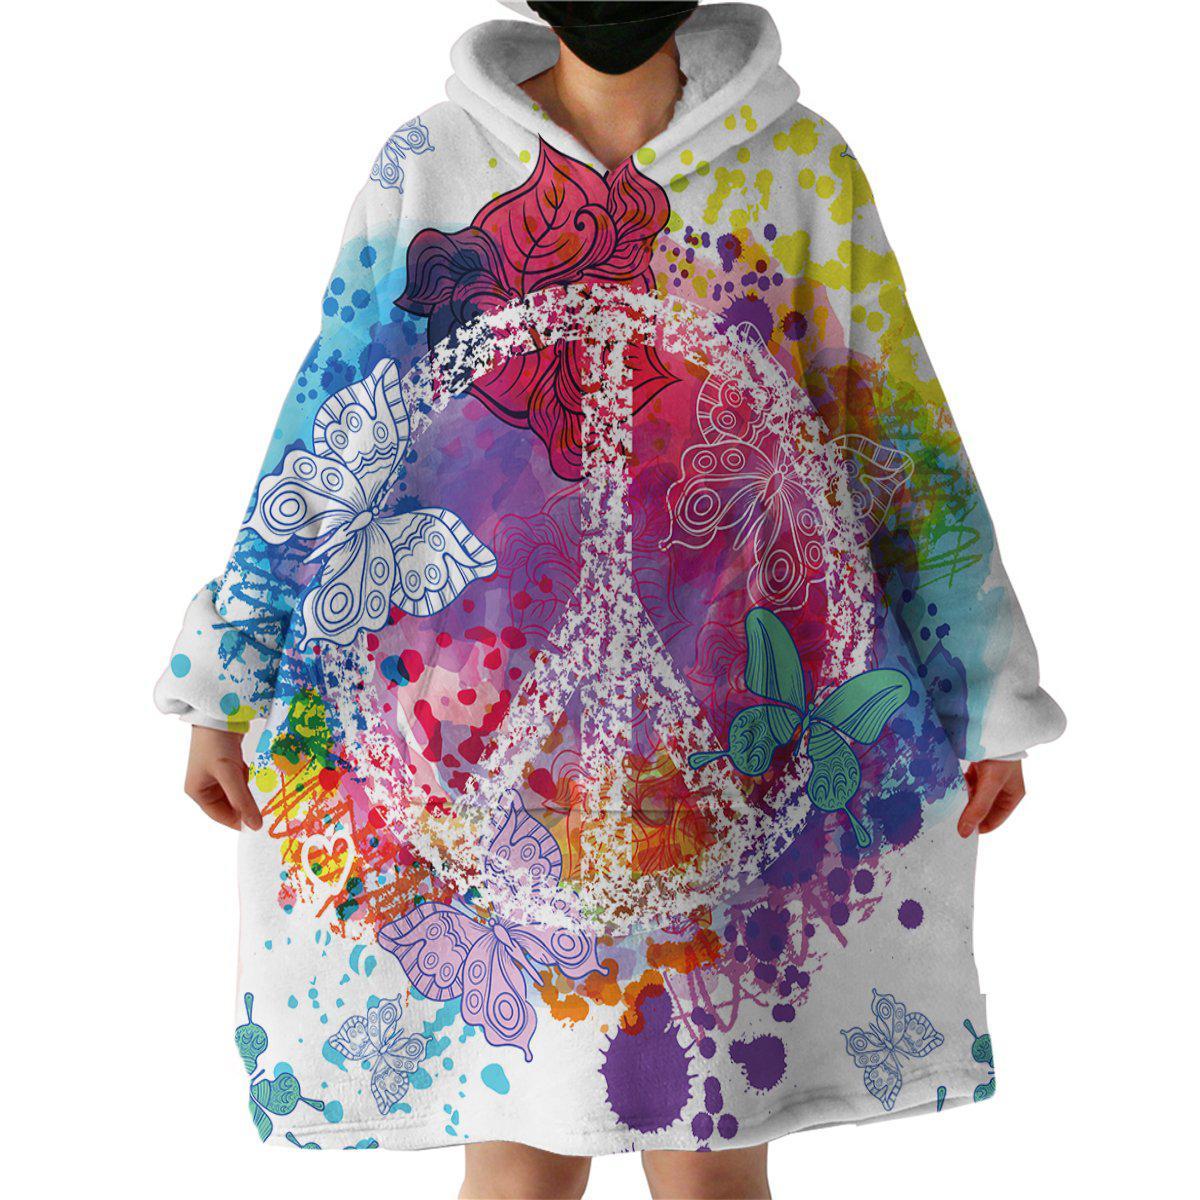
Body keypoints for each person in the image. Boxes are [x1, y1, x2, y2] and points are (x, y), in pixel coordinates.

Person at [157, 3, 1065, 1197]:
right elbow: (341, 419)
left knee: (708, 1155)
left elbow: (888, 425)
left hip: (730, 735)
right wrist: (225, 676)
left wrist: (983, 690)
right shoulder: (434, 162)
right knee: (519, 1158)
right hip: (479, 739)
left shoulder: (800, 167)